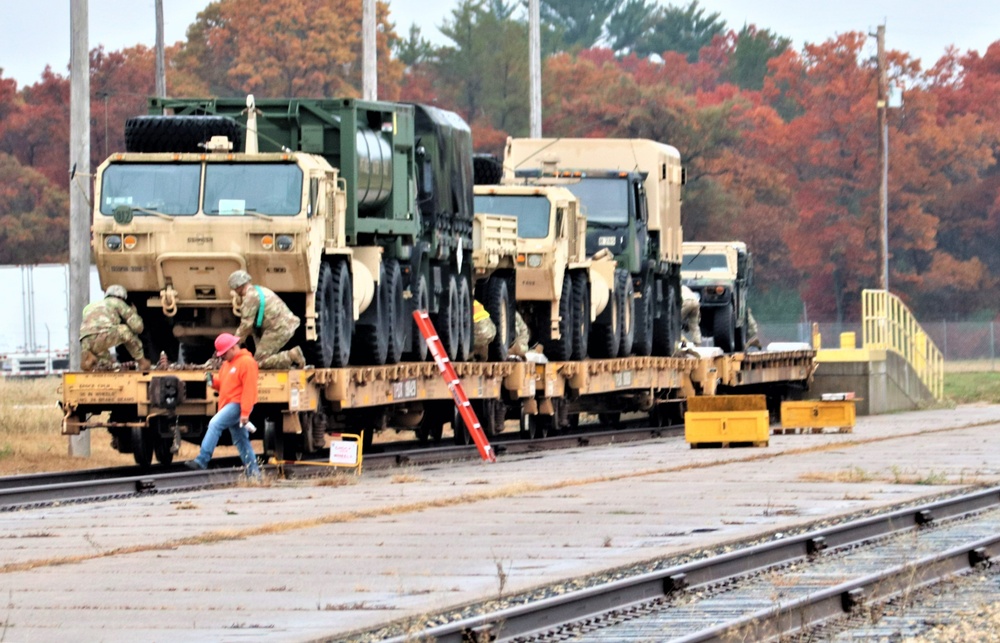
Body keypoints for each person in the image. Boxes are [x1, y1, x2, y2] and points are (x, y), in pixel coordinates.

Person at [185, 332, 262, 479]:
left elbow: (249, 389)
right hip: (230, 404)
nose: (221, 357)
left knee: (215, 424)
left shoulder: (247, 362)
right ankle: (254, 475)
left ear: (233, 348)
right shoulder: (227, 364)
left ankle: (202, 460)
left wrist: (245, 412)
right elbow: (225, 385)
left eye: (224, 353)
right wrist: (212, 381)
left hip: (237, 405)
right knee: (241, 441)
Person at [228, 270, 306, 369]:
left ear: (238, 287)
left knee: (258, 362)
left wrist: (234, 343)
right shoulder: (260, 290)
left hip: (278, 328)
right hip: (284, 325)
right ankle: (290, 365)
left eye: (234, 289)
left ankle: (290, 356)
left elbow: (246, 326)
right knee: (265, 357)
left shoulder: (250, 298)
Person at [79, 285, 152, 371]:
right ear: (122, 297)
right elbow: (138, 327)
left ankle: (95, 361)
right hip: (103, 335)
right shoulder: (118, 302)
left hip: (85, 340)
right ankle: (142, 362)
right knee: (125, 330)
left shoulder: (92, 306)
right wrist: (133, 312)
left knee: (104, 359)